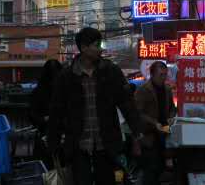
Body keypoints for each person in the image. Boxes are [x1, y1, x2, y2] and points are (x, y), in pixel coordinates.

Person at [48, 27, 143, 185]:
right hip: (78, 145)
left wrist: (137, 133)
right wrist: (53, 143)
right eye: (97, 45)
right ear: (84, 48)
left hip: (107, 143)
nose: (100, 49)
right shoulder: (67, 77)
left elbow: (127, 104)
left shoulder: (111, 71)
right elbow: (56, 112)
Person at [134, 61, 177, 185]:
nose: (163, 78)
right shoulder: (143, 90)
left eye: (165, 75)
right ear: (152, 75)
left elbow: (172, 108)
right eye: (160, 75)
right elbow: (137, 113)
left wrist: (171, 117)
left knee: (161, 167)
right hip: (149, 135)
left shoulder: (167, 89)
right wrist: (154, 123)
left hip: (164, 132)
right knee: (150, 169)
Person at [30, 59, 63, 134]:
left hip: (46, 131)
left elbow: (33, 115)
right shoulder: (65, 88)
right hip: (52, 130)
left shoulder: (38, 91)